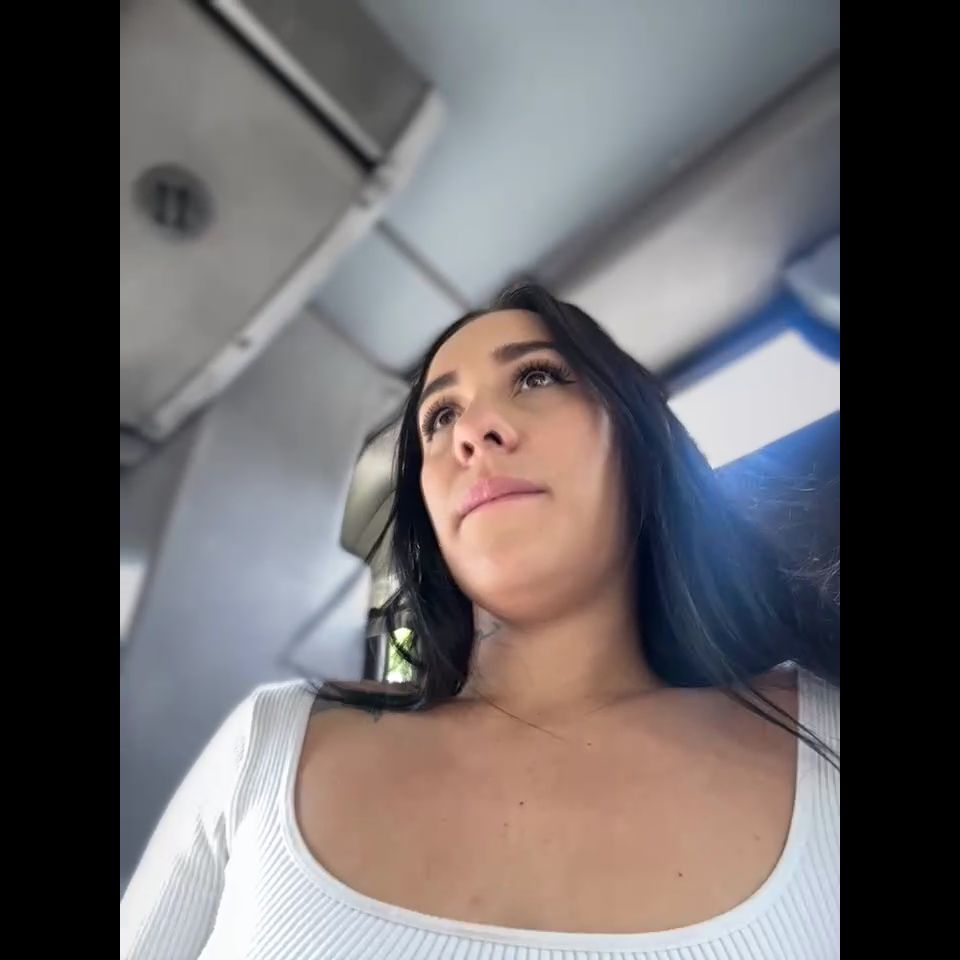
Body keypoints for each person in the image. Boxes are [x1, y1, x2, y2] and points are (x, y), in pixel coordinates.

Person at [120, 284, 839, 959]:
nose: (471, 430)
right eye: (439, 417)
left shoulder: (823, 738)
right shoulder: (270, 743)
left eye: (536, 376)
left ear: (638, 440)